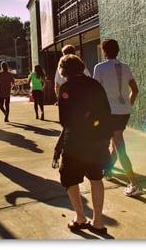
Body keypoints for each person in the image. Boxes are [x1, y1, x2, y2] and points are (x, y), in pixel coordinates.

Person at [57, 54, 113, 235]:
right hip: (96, 141)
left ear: (64, 70)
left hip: (74, 142)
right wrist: (106, 138)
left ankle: (80, 217)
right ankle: (98, 221)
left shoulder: (66, 88)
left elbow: (64, 120)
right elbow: (106, 112)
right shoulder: (95, 85)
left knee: (69, 178)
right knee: (96, 178)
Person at [93, 39, 142, 197]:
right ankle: (107, 171)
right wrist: (128, 104)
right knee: (115, 143)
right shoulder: (125, 67)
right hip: (124, 112)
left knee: (119, 146)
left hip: (110, 112)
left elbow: (96, 92)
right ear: (118, 50)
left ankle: (134, 183)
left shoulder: (99, 68)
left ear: (104, 51)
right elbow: (134, 89)